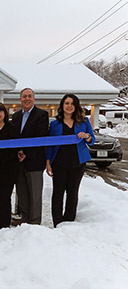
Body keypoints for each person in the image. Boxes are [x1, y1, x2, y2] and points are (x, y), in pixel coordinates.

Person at [46, 94, 95, 227]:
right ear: (62, 105)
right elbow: (50, 144)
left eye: (72, 103)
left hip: (78, 163)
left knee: (72, 193)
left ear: (76, 106)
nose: (69, 106)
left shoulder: (84, 122)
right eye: (67, 103)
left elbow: (92, 140)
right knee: (58, 193)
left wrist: (87, 137)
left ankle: (69, 222)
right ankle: (57, 222)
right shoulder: (55, 124)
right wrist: (48, 161)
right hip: (59, 163)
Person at [11, 88, 49, 225]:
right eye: (24, 96)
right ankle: (25, 219)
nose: (27, 99)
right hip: (19, 161)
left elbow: (41, 137)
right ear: (20, 99)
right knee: (22, 192)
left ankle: (34, 222)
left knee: (35, 194)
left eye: (29, 96)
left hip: (34, 160)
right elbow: (14, 137)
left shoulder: (42, 115)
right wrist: (18, 152)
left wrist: (26, 153)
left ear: (33, 98)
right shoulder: (16, 117)